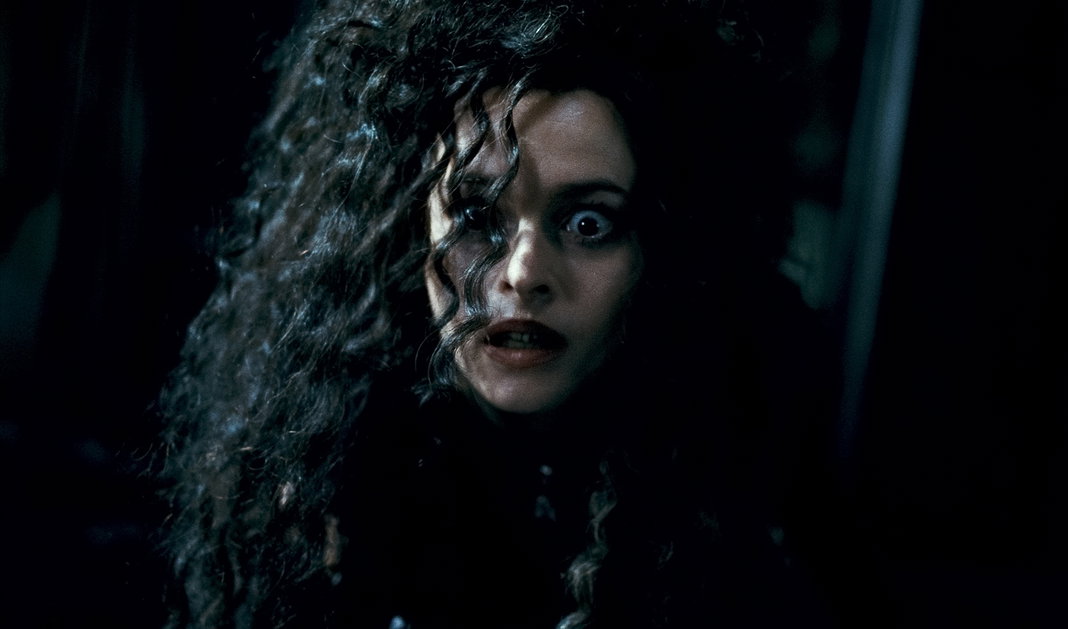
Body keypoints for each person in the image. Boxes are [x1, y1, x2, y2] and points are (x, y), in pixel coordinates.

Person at [158, 0, 831, 627]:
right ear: (412, 227)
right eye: (477, 217)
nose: (523, 273)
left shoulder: (744, 469)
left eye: (589, 222)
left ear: (661, 251)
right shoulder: (322, 483)